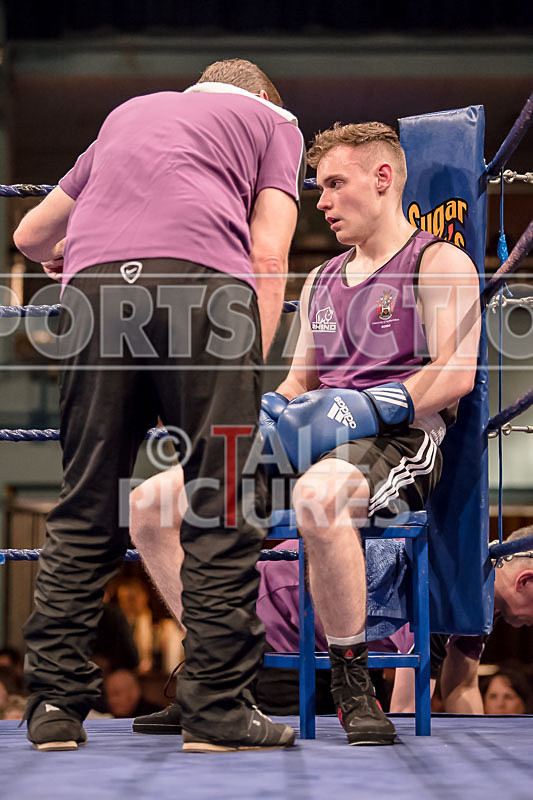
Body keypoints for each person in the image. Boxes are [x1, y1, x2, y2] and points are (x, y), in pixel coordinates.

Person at [130, 121, 481, 746]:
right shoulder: (321, 279)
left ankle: (351, 682)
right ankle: (218, 673)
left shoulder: (437, 261)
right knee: (152, 503)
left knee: (320, 495)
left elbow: (455, 374)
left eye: (333, 184)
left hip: (400, 440)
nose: (320, 202)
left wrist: (374, 405)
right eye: (318, 187)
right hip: (317, 433)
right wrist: (267, 410)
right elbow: (299, 382)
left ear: (382, 179)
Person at [13, 58, 305, 753]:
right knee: (221, 496)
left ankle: (53, 706)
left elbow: (28, 236)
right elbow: (267, 252)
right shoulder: (273, 121)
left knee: (88, 501)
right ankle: (216, 712)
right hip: (205, 292)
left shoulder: (126, 114)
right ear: (264, 97)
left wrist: (79, 259)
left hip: (93, 295)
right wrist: (251, 374)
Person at [390, 525, 533, 714]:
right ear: (524, 581)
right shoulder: (449, 585)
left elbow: (462, 686)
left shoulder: (485, 598)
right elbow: (405, 710)